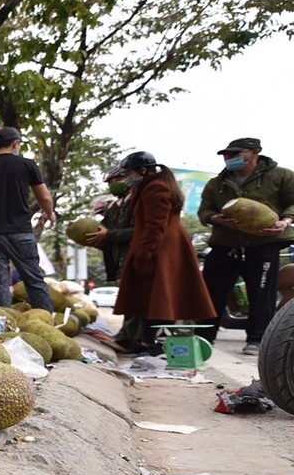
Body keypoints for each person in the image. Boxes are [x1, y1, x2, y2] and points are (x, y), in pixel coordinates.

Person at [196, 137, 294, 354]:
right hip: (225, 245)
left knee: (262, 294)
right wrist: (214, 218)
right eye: (226, 155)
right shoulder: (216, 183)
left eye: (235, 153)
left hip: (263, 244)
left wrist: (285, 220)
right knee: (212, 293)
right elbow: (204, 211)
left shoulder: (282, 175)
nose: (228, 158)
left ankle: (257, 340)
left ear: (255, 152)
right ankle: (203, 339)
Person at [112, 151, 217, 354]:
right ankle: (146, 341)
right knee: (149, 298)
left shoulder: (156, 188)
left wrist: (145, 254)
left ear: (143, 170)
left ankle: (152, 343)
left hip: (161, 249)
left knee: (159, 299)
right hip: (160, 247)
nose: (126, 178)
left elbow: (155, 226)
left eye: (129, 173)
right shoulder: (148, 187)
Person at [0, 126, 56, 311]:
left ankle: (5, 329)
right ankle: (48, 322)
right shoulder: (27, 165)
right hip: (20, 232)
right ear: (15, 144)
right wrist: (49, 213)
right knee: (34, 280)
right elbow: (44, 197)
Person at [84, 160, 145, 350]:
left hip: (134, 255)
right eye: (110, 182)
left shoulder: (137, 201)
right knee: (128, 299)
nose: (113, 185)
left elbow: (138, 230)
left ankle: (136, 339)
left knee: (136, 299)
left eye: (117, 179)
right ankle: (126, 335)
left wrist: (108, 235)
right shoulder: (113, 207)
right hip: (119, 259)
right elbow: (106, 233)